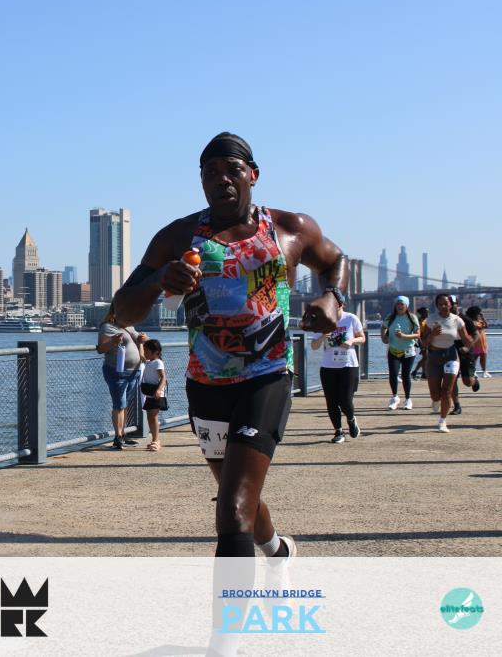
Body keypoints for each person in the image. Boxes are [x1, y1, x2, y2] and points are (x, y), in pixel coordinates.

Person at [112, 132, 348, 561]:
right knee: (237, 495)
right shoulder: (178, 237)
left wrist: (333, 297)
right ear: (201, 181)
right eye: (210, 173)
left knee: (232, 507)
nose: (221, 179)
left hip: (267, 376)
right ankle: (277, 549)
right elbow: (122, 311)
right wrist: (158, 280)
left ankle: (231, 607)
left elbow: (334, 260)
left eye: (232, 170)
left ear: (253, 175)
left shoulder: (290, 228)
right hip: (206, 385)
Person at [312, 303, 366, 443]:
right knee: (331, 402)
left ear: (342, 305)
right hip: (328, 366)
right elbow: (314, 345)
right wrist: (323, 335)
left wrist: (351, 341)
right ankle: (338, 431)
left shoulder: (351, 318)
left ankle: (351, 420)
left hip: (348, 365)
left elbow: (362, 338)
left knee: (345, 401)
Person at [422, 293, 476, 432]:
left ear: (451, 304)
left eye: (446, 303)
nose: (443, 306)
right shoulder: (431, 319)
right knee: (435, 394)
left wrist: (468, 347)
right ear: (436, 306)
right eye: (440, 304)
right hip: (434, 357)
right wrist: (432, 335)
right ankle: (436, 400)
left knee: (447, 390)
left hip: (451, 356)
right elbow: (424, 342)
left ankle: (442, 421)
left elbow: (466, 338)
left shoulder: (457, 320)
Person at [96, 306, 147, 449]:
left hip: (133, 372)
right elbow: (101, 349)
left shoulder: (128, 326)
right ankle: (118, 437)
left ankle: (123, 434)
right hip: (117, 371)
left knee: (125, 404)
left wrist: (143, 338)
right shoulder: (107, 327)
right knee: (119, 404)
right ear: (115, 312)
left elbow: (139, 340)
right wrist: (113, 342)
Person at [381, 296, 421, 410]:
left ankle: (408, 399)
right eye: (398, 304)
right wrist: (383, 337)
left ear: (406, 306)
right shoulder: (390, 317)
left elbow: (418, 334)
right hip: (393, 350)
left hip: (408, 350)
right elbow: (383, 327)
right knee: (393, 374)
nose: (399, 306)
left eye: (402, 304)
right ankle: (395, 397)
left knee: (405, 375)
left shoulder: (412, 317)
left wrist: (404, 336)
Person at [449, 298, 481, 415]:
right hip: (450, 351)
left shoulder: (465, 319)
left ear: (456, 305)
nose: (449, 306)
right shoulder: (443, 319)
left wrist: (467, 347)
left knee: (467, 382)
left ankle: (474, 380)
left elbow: (476, 335)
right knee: (451, 379)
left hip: (465, 351)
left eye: (452, 304)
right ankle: (457, 406)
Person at [140, 339, 168, 451]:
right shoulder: (148, 362)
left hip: (157, 393)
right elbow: (141, 356)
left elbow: (164, 377)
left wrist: (159, 390)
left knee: (153, 416)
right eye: (145, 351)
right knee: (150, 417)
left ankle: (156, 441)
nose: (145, 353)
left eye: (147, 351)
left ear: (155, 352)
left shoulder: (158, 362)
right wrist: (140, 343)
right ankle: (154, 440)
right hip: (150, 393)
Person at [467, 306, 490, 378]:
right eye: (478, 314)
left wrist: (483, 318)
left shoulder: (480, 321)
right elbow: (477, 328)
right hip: (476, 344)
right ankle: (473, 371)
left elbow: (486, 326)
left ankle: (484, 371)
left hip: (483, 344)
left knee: (483, 358)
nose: (479, 315)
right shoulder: (471, 322)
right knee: (474, 359)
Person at [411, 306, 430, 380]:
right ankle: (415, 371)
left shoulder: (427, 320)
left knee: (425, 358)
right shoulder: (419, 321)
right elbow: (418, 334)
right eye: (426, 312)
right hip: (421, 340)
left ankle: (424, 373)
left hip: (428, 340)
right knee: (426, 357)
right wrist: (421, 344)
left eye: (428, 312)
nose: (427, 313)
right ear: (422, 313)